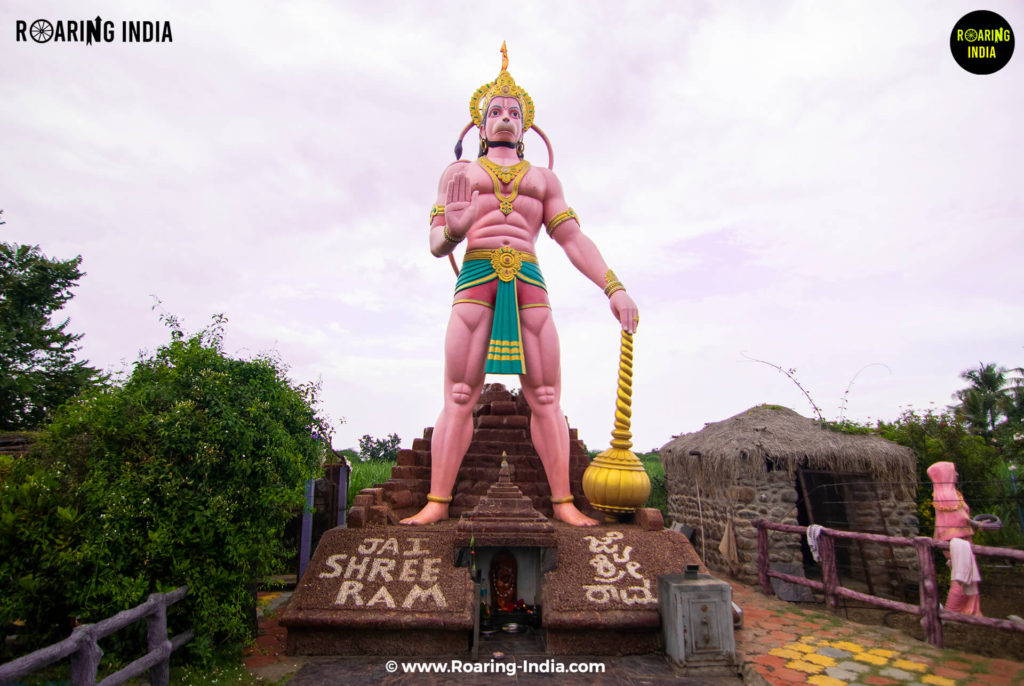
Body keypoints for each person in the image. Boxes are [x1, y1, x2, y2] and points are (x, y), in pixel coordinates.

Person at [400, 45, 638, 526]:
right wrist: (455, 228)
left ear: (526, 127)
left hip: (529, 281)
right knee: (460, 395)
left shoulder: (545, 180)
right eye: (495, 111)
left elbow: (571, 238)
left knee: (546, 395)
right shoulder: (458, 174)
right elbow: (435, 244)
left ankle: (563, 504)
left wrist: (613, 287)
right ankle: (437, 502)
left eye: (514, 112)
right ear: (481, 126)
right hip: (476, 279)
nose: (504, 117)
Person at [926, 461, 983, 616]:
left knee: (963, 575)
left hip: (958, 539)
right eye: (954, 471)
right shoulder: (947, 495)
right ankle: (951, 611)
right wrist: (975, 523)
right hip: (955, 539)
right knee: (961, 577)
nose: (957, 474)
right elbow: (959, 519)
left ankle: (966, 610)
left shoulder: (950, 492)